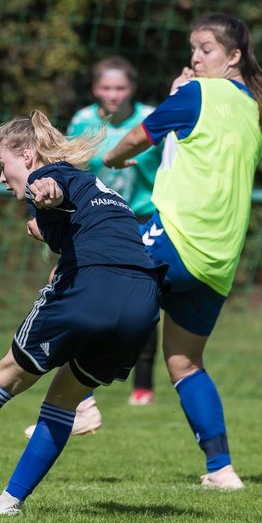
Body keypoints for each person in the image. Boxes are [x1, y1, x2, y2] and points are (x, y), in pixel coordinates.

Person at [0, 111, 165, 515]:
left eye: (2, 164)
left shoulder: (52, 177)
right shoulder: (102, 190)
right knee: (64, 401)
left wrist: (43, 192)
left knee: (10, 373)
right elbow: (93, 233)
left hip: (93, 289)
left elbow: (52, 188)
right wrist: (50, 232)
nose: (0, 176)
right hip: (144, 302)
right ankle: (8, 502)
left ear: (27, 156)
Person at [101, 13, 262, 491]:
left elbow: (139, 139)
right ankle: (221, 469)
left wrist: (110, 158)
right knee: (185, 362)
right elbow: (191, 148)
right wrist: (180, 96)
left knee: (95, 294)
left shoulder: (196, 94)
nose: (195, 57)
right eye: (193, 48)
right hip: (218, 260)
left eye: (205, 48)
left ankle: (77, 406)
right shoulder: (256, 114)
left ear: (234, 56)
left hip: (177, 237)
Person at [66, 55, 163, 408]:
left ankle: (143, 385)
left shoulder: (150, 118)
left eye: (120, 87)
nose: (113, 94)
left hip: (142, 220)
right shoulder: (82, 122)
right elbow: (69, 169)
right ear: (95, 89)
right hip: (96, 222)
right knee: (87, 299)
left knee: (144, 300)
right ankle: (81, 391)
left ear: (132, 89)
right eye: (106, 87)